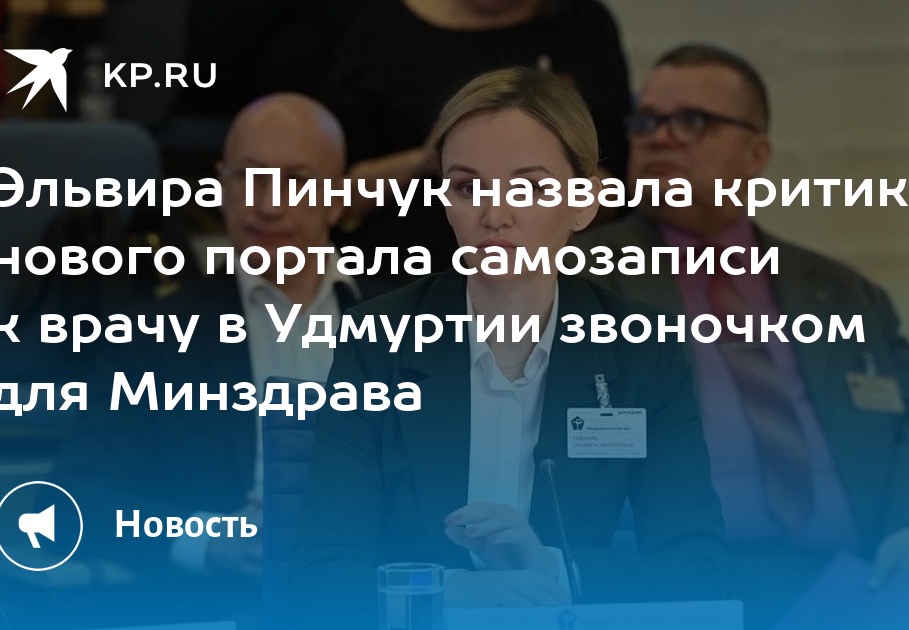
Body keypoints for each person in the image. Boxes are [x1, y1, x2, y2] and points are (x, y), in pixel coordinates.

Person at [575, 44, 909, 629]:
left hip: (860, 574)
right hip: (692, 575)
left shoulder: (842, 290)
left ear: (756, 153)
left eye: (691, 122)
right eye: (646, 121)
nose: (659, 138)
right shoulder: (581, 277)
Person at [291, 67, 729, 629]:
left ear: (585, 201)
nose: (494, 215)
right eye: (466, 187)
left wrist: (556, 570)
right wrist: (448, 594)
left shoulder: (641, 348)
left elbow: (700, 570)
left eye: (528, 187)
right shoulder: (377, 339)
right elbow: (320, 574)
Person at [49, 93, 364, 623]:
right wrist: (208, 541)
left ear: (337, 198)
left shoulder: (400, 324)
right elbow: (73, 501)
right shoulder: (153, 334)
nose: (269, 204)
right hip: (227, 603)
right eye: (250, 177)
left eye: (296, 181)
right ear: (221, 186)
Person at [322, 0, 633, 282]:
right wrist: (423, 160)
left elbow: (615, 179)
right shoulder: (375, 23)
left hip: (546, 277)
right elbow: (334, 194)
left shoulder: (583, 24)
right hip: (392, 268)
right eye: (468, 188)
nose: (494, 216)